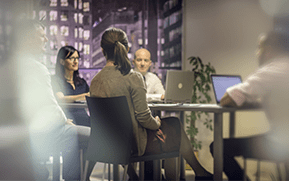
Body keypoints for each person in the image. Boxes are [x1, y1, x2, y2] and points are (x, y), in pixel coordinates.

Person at [90, 27, 213, 181]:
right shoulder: (133, 77)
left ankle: (142, 178)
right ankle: (199, 173)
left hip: (108, 144)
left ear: (102, 50)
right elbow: (143, 117)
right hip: (133, 145)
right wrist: (156, 124)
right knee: (173, 126)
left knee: (169, 130)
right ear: (127, 49)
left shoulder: (95, 81)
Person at [9, 19, 95, 181]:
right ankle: (76, 177)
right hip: (46, 129)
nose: (47, 39)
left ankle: (80, 176)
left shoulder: (14, 65)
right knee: (95, 137)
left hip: (30, 128)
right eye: (42, 36)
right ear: (28, 38)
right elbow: (51, 104)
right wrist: (64, 121)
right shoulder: (38, 69)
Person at [210, 31, 289, 181]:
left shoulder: (272, 70)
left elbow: (227, 99)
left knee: (219, 147)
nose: (257, 53)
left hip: (285, 144)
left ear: (268, 51)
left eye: (259, 48)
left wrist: (244, 101)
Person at [52, 46, 91, 127]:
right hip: (68, 121)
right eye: (71, 58)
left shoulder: (82, 82)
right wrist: (84, 96)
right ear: (62, 61)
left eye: (77, 58)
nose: (75, 61)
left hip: (85, 120)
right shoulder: (55, 80)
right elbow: (61, 99)